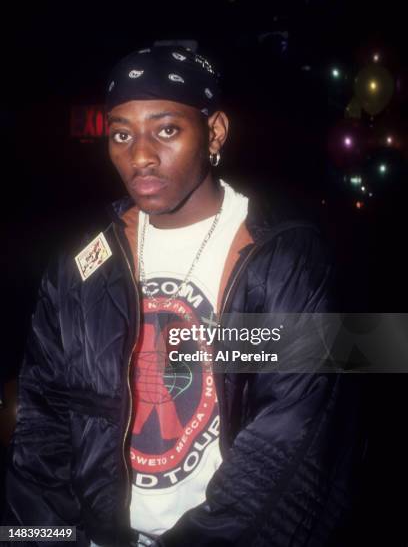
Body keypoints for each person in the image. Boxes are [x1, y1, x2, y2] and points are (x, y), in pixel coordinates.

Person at [3, 45, 364, 546]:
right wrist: (39, 537)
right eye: (122, 134)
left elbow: (286, 446)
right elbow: (44, 418)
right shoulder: (82, 262)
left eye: (167, 129)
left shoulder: (283, 257)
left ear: (214, 132)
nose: (140, 155)